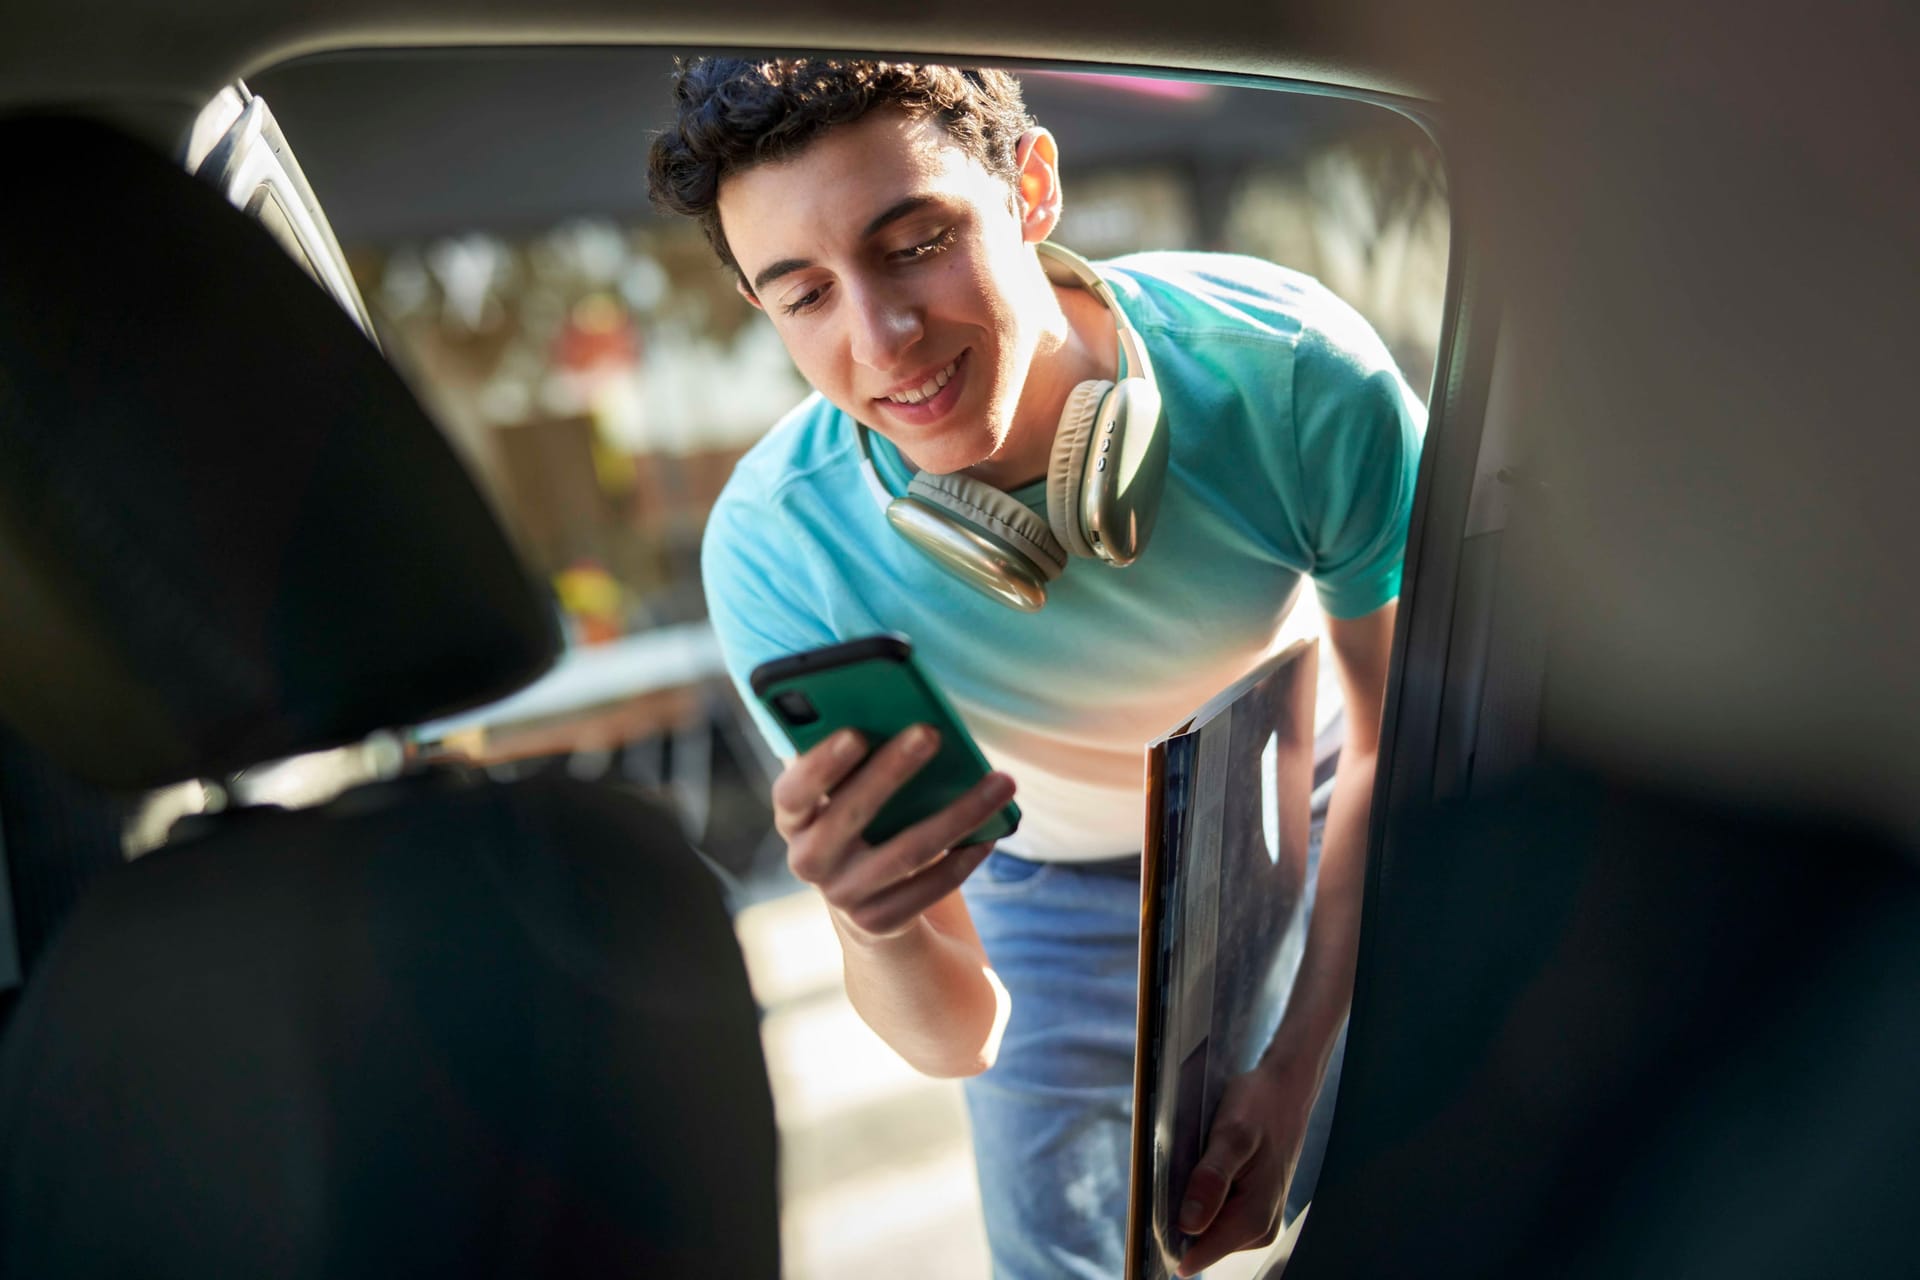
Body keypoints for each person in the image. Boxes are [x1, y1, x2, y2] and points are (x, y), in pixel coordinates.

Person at [648, 58, 1422, 1279]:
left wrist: (1298, 1059)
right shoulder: (778, 552)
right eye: (804, 296)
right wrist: (874, 919)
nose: (881, 337)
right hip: (1043, 883)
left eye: (913, 245)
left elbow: (1402, 740)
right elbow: (960, 1035)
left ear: (1033, 185)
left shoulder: (1291, 375)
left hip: (1311, 799)